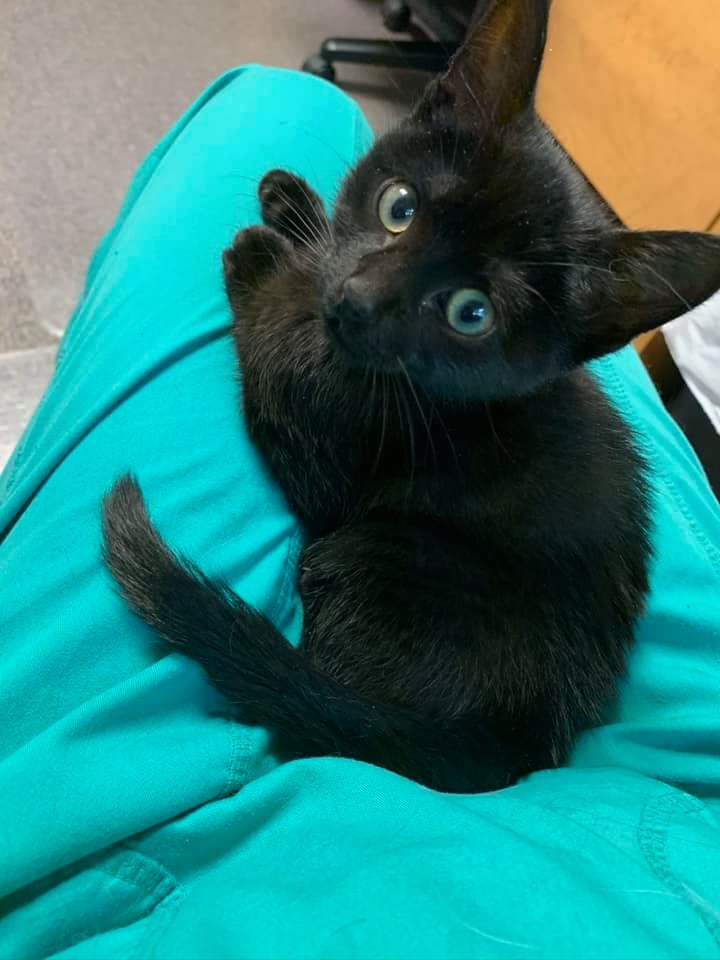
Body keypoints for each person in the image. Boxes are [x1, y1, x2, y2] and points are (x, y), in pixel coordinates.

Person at [1, 67, 719, 959]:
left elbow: (310, 469)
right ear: (436, 108)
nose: (364, 291)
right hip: (569, 668)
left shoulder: (413, 418)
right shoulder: (473, 344)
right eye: (399, 209)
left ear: (587, 337)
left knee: (279, 102)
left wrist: (264, 294)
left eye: (469, 310)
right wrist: (331, 244)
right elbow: (379, 282)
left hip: (448, 660)